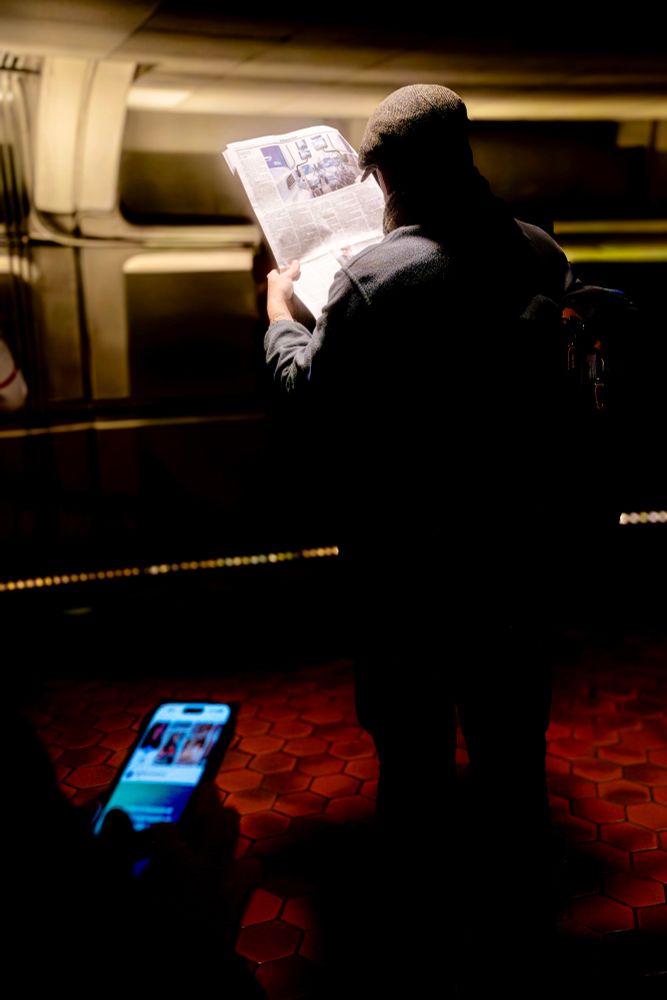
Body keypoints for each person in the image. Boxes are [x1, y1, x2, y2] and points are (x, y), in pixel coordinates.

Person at [264, 85, 574, 997]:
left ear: (381, 174)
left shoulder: (368, 282)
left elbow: (312, 401)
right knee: (513, 741)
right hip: (516, 553)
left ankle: (424, 950)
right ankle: (523, 932)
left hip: (406, 566)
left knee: (412, 746)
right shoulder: (540, 253)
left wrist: (282, 316)